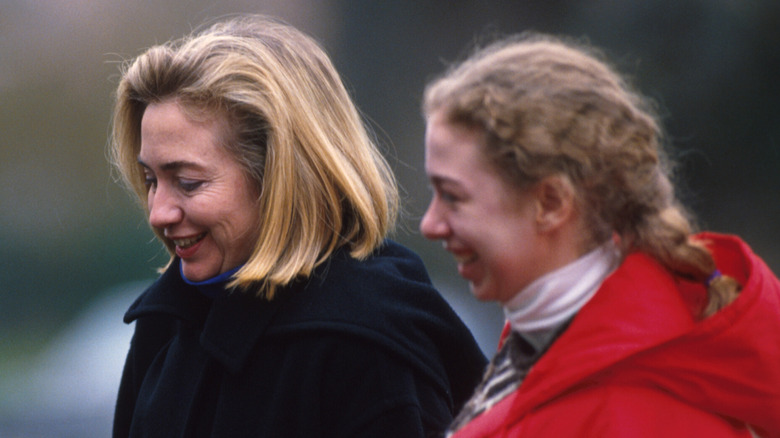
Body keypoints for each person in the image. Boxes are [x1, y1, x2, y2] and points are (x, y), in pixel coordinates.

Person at [109, 15, 487, 438]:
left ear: (282, 177)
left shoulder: (365, 345)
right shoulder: (165, 325)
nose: (159, 212)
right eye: (150, 181)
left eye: (188, 182)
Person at [419, 33, 780, 437]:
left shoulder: (627, 407)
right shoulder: (556, 353)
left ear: (551, 202)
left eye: (452, 196)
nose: (430, 224)